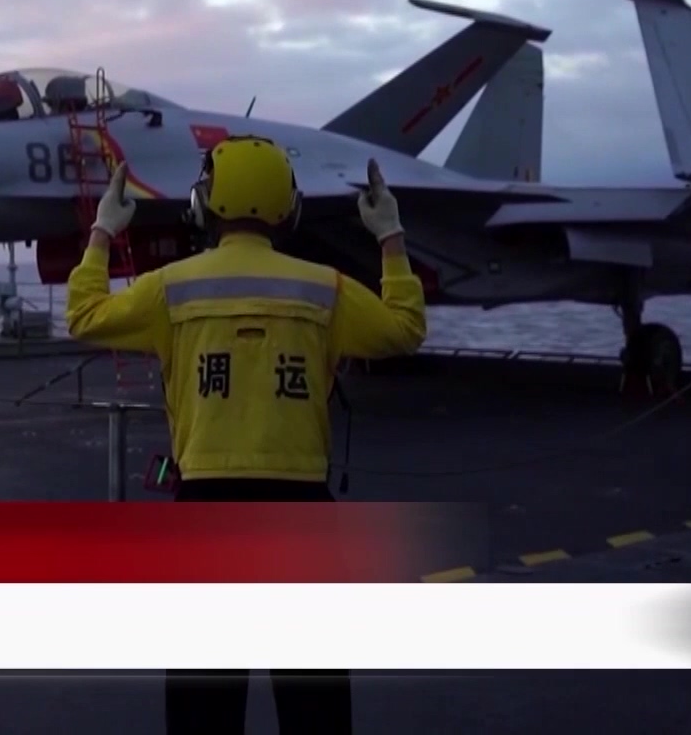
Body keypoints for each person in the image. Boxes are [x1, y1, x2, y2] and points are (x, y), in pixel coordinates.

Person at [65, 136, 427, 735]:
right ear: (289, 208)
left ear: (205, 203)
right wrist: (390, 235)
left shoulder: (170, 287)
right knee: (314, 709)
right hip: (302, 514)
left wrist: (104, 230)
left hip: (207, 511)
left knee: (204, 708)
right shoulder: (326, 288)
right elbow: (405, 329)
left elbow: (84, 316)